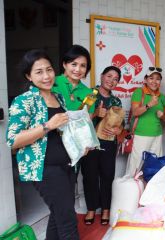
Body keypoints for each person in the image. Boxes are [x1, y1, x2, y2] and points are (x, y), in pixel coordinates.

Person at [6, 49, 79, 239]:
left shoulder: (58, 97)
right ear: (28, 76)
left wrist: (81, 145)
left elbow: (62, 131)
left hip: (68, 165)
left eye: (49, 69)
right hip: (45, 169)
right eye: (39, 72)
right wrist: (47, 125)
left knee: (58, 214)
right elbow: (13, 140)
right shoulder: (24, 101)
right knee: (68, 220)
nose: (46, 76)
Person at [81, 66, 123, 225]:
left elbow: (121, 123)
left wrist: (119, 129)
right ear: (102, 76)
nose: (112, 81)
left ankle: (106, 208)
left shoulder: (116, 100)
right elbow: (80, 119)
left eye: (115, 79)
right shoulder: (91, 95)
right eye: (109, 76)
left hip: (108, 142)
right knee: (90, 176)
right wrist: (95, 114)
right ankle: (91, 209)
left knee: (107, 175)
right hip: (89, 143)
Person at [125, 67, 165, 176]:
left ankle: (150, 192)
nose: (154, 81)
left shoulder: (162, 97)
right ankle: (130, 191)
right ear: (145, 80)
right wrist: (149, 105)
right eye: (151, 78)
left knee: (155, 168)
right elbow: (135, 112)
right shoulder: (139, 92)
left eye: (158, 79)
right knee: (135, 168)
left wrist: (162, 116)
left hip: (157, 136)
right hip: (141, 135)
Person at [52, 44, 95, 113]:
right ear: (64, 64)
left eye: (83, 66)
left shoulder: (90, 94)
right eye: (74, 64)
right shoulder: (52, 82)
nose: (78, 69)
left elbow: (87, 120)